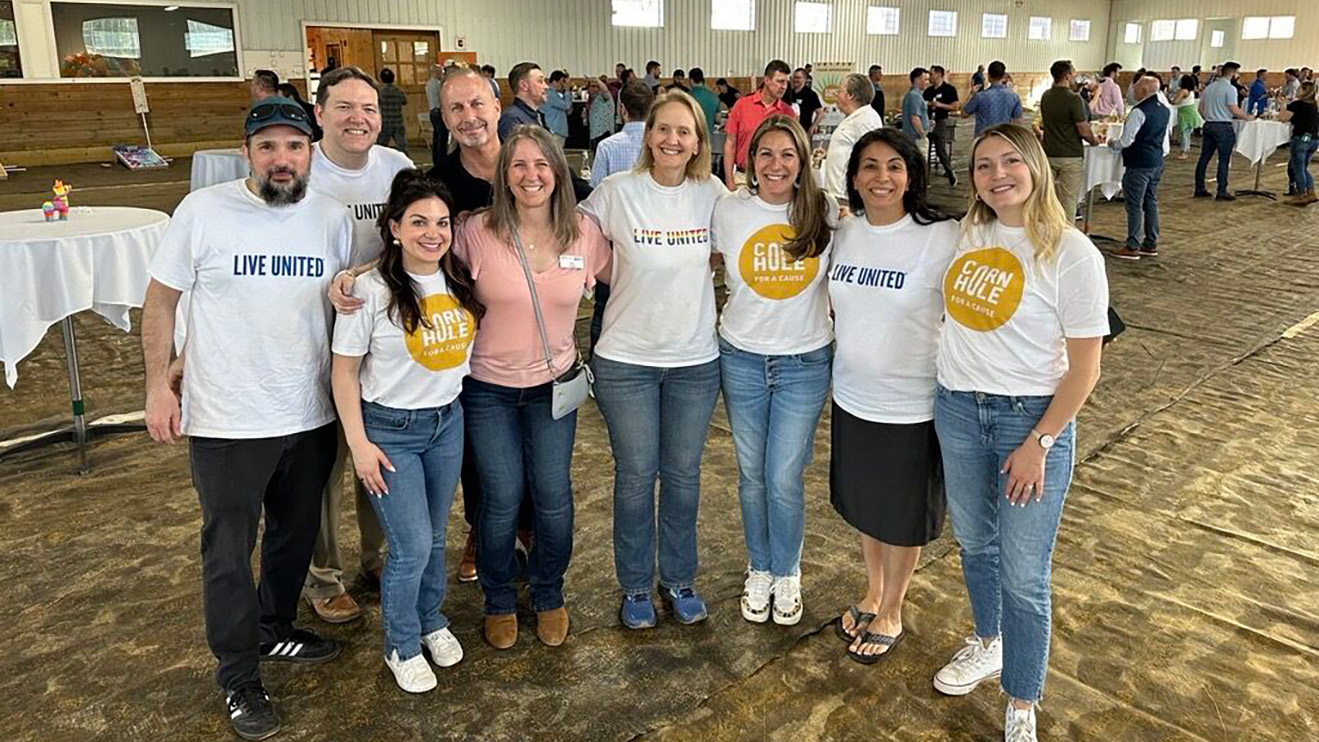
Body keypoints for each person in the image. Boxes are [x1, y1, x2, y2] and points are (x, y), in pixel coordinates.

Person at [142, 97, 349, 740]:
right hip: (228, 418)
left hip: (310, 410)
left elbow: (348, 296)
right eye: (268, 148)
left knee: (293, 534)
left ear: (310, 152)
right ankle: (237, 676)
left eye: (294, 147)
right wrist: (158, 381)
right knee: (229, 549)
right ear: (247, 154)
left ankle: (273, 630)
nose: (281, 160)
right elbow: (160, 302)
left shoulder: (332, 217)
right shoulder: (203, 212)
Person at [932, 123, 1108, 742]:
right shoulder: (968, 234)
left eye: (1010, 161)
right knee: (976, 545)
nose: (997, 173)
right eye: (983, 165)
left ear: (1035, 166)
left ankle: (1023, 698)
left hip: (1028, 420)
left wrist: (1041, 440)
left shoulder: (1072, 253)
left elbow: (1086, 366)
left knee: (1024, 571)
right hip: (957, 409)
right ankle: (989, 642)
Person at [452, 126, 611, 650]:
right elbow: (415, 265)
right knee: (499, 498)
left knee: (553, 496)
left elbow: (636, 275)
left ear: (558, 173)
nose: (531, 175)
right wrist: (357, 276)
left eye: (541, 165)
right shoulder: (475, 232)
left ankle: (548, 591)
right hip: (488, 389)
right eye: (518, 165)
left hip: (554, 388)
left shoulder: (584, 233)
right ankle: (499, 598)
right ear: (504, 175)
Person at [580, 90, 728, 629]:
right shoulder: (616, 192)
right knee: (637, 475)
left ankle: (680, 579)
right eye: (663, 129)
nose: (672, 139)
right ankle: (636, 586)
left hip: (693, 360)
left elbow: (734, 245)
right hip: (626, 360)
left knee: (684, 476)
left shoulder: (712, 192)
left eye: (683, 132)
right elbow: (571, 239)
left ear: (697, 142)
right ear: (648, 136)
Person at [330, 170, 478, 692]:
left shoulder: (458, 278)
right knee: (412, 545)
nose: (431, 233)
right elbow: (343, 372)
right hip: (390, 430)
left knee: (435, 538)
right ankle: (401, 642)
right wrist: (360, 445)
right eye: (418, 222)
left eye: (440, 222)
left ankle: (431, 619)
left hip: (447, 421)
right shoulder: (368, 291)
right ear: (393, 227)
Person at [830, 127, 959, 664]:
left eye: (894, 167)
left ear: (911, 176)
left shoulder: (943, 235)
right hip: (851, 396)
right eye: (869, 167)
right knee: (867, 504)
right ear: (854, 178)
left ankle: (894, 608)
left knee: (902, 512)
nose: (882, 178)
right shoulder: (846, 232)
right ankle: (873, 590)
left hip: (911, 403)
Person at [712, 115, 834, 627]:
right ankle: (757, 566)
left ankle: (786, 569)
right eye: (765, 154)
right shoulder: (728, 210)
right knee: (750, 473)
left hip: (804, 362)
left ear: (802, 162)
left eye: (787, 154)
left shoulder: (823, 213)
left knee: (782, 475)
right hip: (740, 356)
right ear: (749, 160)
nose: (776, 164)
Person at [306, 66, 414, 623]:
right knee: (324, 460)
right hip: (314, 336)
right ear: (319, 113)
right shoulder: (302, 172)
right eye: (345, 107)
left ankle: (374, 555)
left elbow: (414, 241)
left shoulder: (396, 167)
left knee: (378, 448)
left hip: (380, 338)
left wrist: (361, 272)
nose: (359, 118)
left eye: (368, 108)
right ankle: (322, 574)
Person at [1109, 77, 1171, 259]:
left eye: (1135, 88)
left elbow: (1127, 140)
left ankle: (1133, 244)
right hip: (1156, 161)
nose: (1132, 92)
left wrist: (1114, 143)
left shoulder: (1139, 111)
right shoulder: (1164, 110)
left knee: (1134, 204)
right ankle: (1151, 242)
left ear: (1143, 90)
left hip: (1139, 163)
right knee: (1150, 202)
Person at [1040, 60, 1099, 216]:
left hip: (1049, 152)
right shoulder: (1073, 99)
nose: (1074, 77)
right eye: (1072, 74)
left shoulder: (1046, 96)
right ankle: (1067, 235)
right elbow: (1083, 129)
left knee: (1047, 198)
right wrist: (1094, 141)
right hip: (1070, 155)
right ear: (1067, 76)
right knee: (1068, 200)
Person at [724, 59, 793, 189]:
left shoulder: (788, 113)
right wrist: (729, 181)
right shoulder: (742, 105)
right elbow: (730, 143)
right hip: (743, 179)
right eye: (780, 81)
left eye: (786, 82)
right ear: (767, 80)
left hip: (774, 179)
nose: (784, 86)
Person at [1196, 62, 1254, 201]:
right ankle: (1221, 190)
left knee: (1204, 158)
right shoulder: (1230, 89)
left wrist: (1210, 117)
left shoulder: (1209, 88)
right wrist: (1247, 117)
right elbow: (1233, 109)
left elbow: (1200, 109)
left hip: (1209, 124)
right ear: (1233, 73)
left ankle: (1199, 187)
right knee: (1223, 159)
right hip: (1223, 126)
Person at [823, 73, 883, 203]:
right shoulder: (854, 118)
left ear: (851, 95)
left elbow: (871, 157)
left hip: (847, 197)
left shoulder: (866, 120)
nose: (836, 95)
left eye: (840, 91)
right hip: (838, 194)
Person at [591, 80, 652, 187]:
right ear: (651, 110)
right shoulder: (661, 144)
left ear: (623, 110)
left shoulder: (606, 147)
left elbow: (596, 189)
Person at [1279, 81, 1319, 206]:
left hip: (1301, 137)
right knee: (1303, 167)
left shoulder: (1297, 105)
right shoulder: (1314, 105)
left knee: (1297, 166)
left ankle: (1301, 194)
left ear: (1304, 90)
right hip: (1313, 138)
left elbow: (1283, 118)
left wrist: (1283, 105)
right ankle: (1311, 191)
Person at [963, 61, 1022, 136]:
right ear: (1003, 76)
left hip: (983, 138)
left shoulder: (980, 96)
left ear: (989, 76)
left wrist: (971, 95)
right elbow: (1018, 122)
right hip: (1003, 137)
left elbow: (964, 114)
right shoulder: (1014, 97)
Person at [924, 65, 960, 187]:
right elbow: (923, 103)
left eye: (931, 74)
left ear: (939, 74)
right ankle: (926, 180)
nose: (929, 77)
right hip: (928, 121)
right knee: (926, 151)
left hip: (940, 121)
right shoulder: (928, 91)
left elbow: (955, 106)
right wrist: (929, 104)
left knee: (940, 150)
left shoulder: (949, 89)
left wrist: (940, 105)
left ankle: (950, 174)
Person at [499, 62, 549, 140]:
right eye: (540, 81)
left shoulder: (537, 115)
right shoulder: (512, 118)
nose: (546, 86)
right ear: (524, 85)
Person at [376, 68, 409, 154]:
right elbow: (405, 101)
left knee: (381, 146)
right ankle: (405, 164)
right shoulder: (398, 91)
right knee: (402, 146)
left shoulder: (380, 92)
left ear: (381, 79)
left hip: (385, 122)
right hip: (398, 121)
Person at [785, 67, 823, 137]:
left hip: (804, 130)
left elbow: (820, 113)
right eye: (794, 77)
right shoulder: (788, 93)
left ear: (805, 79)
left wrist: (813, 127)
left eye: (798, 78)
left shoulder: (811, 94)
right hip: (790, 129)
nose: (795, 80)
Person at [1172, 75, 1201, 160]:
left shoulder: (1183, 91)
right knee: (1187, 133)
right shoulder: (1190, 91)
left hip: (1185, 113)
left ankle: (1184, 151)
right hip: (1189, 111)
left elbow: (1176, 102)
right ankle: (1186, 149)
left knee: (1184, 133)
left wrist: (1168, 98)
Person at [901, 67, 930, 148]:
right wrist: (923, 135)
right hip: (916, 138)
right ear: (917, 80)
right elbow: (915, 119)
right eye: (926, 79)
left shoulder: (913, 95)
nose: (928, 82)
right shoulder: (915, 96)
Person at [426, 64, 448, 166]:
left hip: (432, 111)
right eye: (441, 72)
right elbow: (442, 99)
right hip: (438, 112)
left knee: (436, 137)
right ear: (436, 72)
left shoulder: (428, 84)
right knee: (442, 138)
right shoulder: (437, 85)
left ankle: (436, 160)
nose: (442, 74)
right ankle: (441, 160)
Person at [544, 70, 573, 149]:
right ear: (554, 82)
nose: (562, 86)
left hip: (557, 129)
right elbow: (566, 106)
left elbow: (569, 109)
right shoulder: (550, 94)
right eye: (561, 83)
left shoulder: (554, 94)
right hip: (555, 130)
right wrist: (567, 90)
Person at [587, 76, 617, 152]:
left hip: (604, 133)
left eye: (595, 86)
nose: (593, 89)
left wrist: (596, 80)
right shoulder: (593, 100)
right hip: (594, 134)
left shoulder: (604, 97)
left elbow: (605, 90)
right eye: (591, 87)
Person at [687, 67, 720, 136]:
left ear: (691, 80)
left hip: (691, 137)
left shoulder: (686, 97)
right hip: (708, 138)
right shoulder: (714, 97)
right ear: (703, 81)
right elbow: (718, 119)